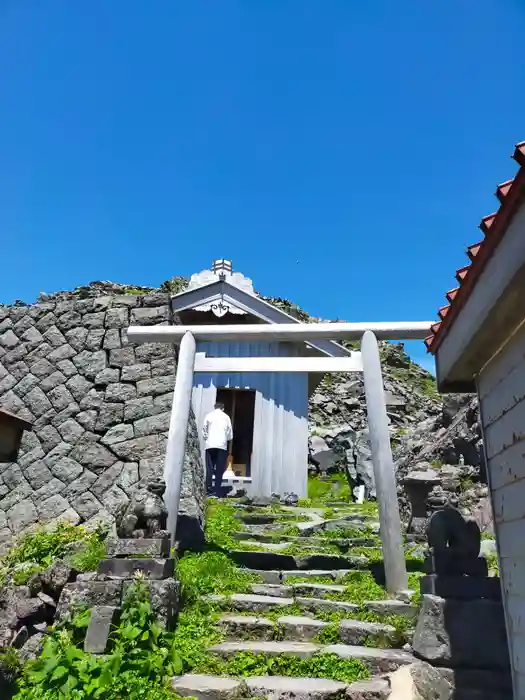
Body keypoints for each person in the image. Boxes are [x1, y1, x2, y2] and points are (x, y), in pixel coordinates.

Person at [202, 402, 233, 497]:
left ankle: (209, 489)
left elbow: (204, 429)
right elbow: (229, 434)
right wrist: (226, 439)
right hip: (221, 445)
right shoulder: (226, 417)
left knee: (209, 467)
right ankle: (218, 490)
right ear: (223, 408)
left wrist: (207, 438)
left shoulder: (209, 416)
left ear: (214, 407)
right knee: (220, 468)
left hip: (210, 445)